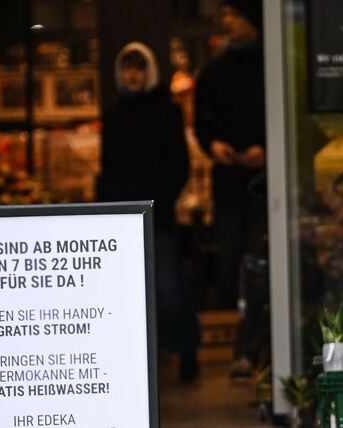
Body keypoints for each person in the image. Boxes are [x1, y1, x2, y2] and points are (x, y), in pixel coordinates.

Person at [98, 43, 198, 382]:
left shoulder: (166, 112)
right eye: (127, 68)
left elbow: (179, 164)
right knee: (127, 293)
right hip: (121, 221)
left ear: (149, 71)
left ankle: (186, 350)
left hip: (160, 217)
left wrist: (160, 200)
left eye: (139, 68)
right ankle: (139, 361)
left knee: (168, 289)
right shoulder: (113, 117)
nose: (132, 75)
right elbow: (108, 168)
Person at [194, 0, 267, 378]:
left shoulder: (272, 66)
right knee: (230, 265)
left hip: (265, 185)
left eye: (234, 14)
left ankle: (249, 349)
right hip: (227, 184)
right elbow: (201, 120)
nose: (227, 21)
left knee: (256, 266)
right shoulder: (215, 69)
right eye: (224, 15)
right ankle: (249, 345)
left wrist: (268, 152)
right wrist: (213, 146)